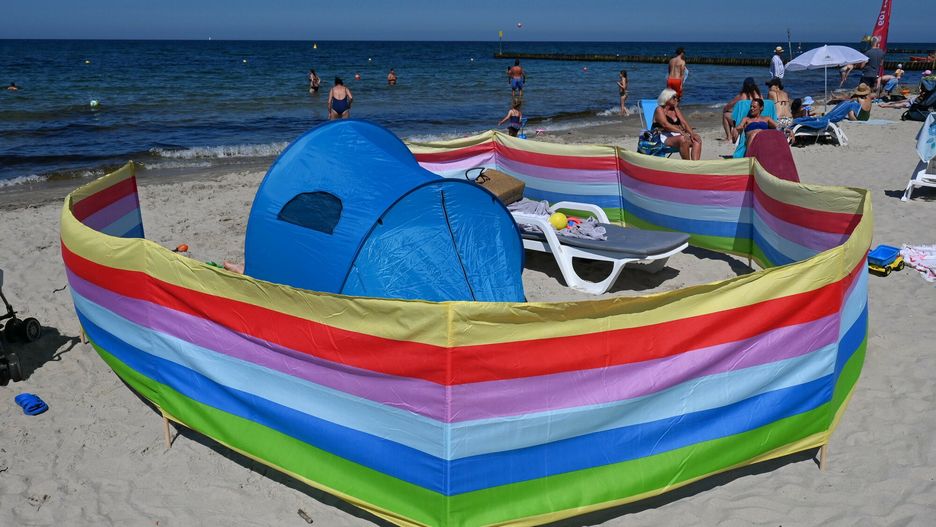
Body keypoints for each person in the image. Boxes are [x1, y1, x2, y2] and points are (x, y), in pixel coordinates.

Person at [653, 88, 702, 160]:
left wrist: (692, 134)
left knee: (697, 139)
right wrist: (680, 131)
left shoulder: (675, 109)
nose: (676, 99)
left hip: (675, 135)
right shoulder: (659, 109)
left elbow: (684, 123)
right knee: (683, 139)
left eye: (677, 98)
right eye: (674, 97)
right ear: (667, 98)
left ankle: (695, 164)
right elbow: (665, 125)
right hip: (662, 136)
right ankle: (687, 163)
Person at [721, 77, 761, 142]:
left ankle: (729, 137)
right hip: (757, 119)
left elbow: (729, 105)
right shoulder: (759, 95)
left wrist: (725, 110)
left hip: (743, 122)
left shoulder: (742, 95)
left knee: (725, 115)